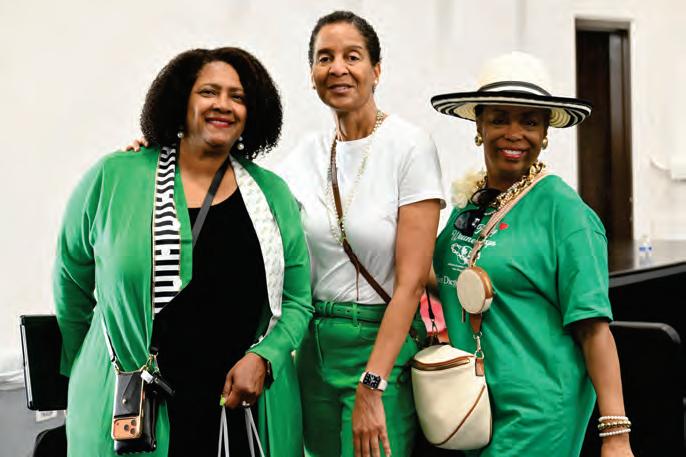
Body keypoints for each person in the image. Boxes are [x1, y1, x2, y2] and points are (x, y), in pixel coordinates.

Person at [54, 47, 312, 457]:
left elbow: (298, 301)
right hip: (134, 406)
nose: (223, 104)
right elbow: (71, 282)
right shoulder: (115, 177)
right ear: (181, 101)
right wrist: (86, 368)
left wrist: (266, 357)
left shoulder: (273, 194)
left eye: (238, 96)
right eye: (208, 92)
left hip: (237, 406)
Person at [430, 52, 634, 456]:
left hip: (538, 412)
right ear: (479, 125)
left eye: (529, 121)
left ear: (545, 133)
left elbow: (593, 328)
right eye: (500, 119)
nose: (514, 133)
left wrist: (616, 435)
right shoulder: (470, 204)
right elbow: (449, 278)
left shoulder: (566, 213)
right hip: (470, 408)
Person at [278, 11, 444, 457]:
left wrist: (373, 384)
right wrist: (163, 152)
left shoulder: (409, 145)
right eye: (324, 58)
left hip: (378, 348)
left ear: (376, 70)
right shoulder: (307, 154)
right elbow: (248, 197)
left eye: (352, 56)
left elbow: (411, 283)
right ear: (312, 74)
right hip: (314, 349)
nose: (338, 68)